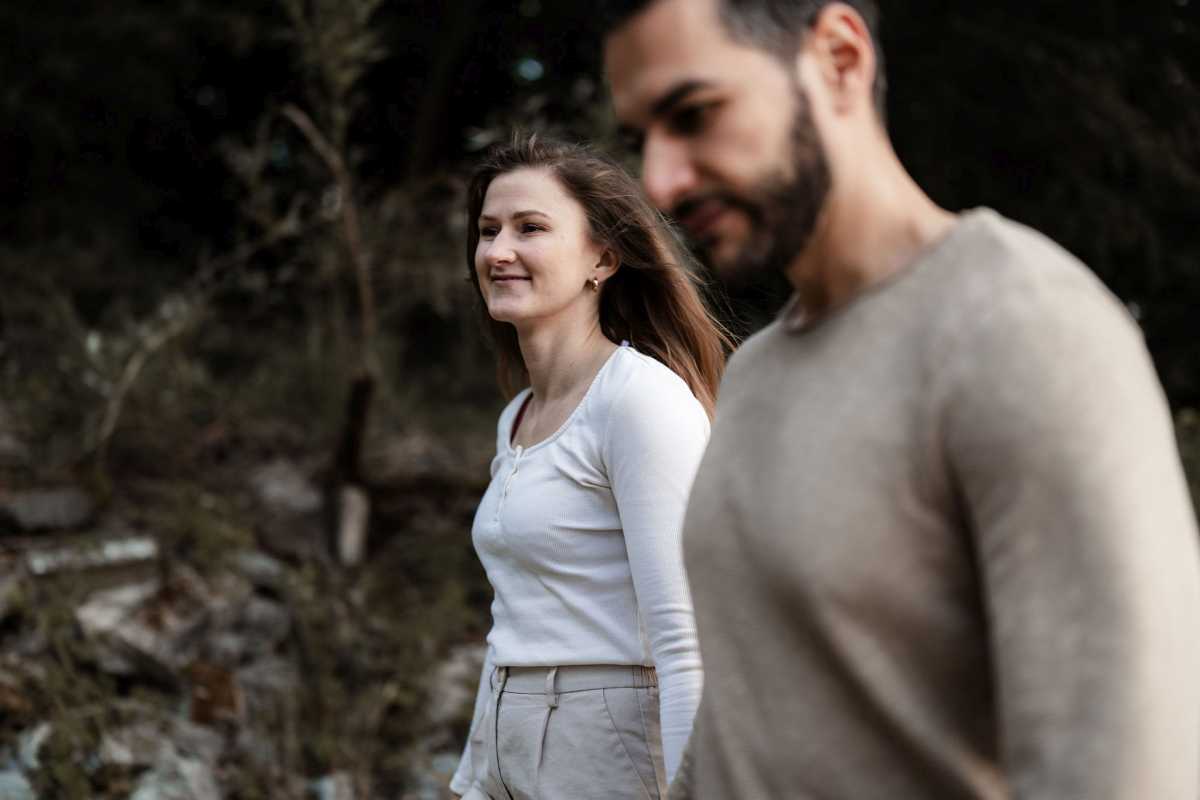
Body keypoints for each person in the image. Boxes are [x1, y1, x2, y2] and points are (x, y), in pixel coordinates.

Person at [601, 1, 1200, 798]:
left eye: (695, 114)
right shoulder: (755, 374)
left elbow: (1127, 772)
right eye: (643, 137)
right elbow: (744, 716)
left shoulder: (1021, 327)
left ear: (841, 58)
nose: (661, 181)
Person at [449, 134, 732, 800]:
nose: (499, 251)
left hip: (607, 758)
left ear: (601, 258)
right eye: (488, 231)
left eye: (531, 228)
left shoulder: (639, 400)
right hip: (509, 748)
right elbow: (517, 622)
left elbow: (687, 636)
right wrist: (472, 779)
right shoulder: (519, 414)